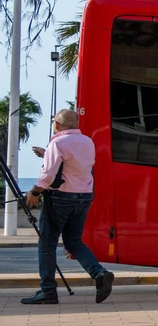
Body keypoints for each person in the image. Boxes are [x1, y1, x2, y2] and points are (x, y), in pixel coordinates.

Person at [22, 109, 113, 305]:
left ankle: (47, 291)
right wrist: (47, 154)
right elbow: (76, 165)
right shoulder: (87, 142)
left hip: (60, 198)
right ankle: (99, 273)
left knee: (47, 243)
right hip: (84, 197)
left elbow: (47, 175)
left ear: (57, 124)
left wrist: (35, 193)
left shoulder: (57, 143)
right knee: (73, 242)